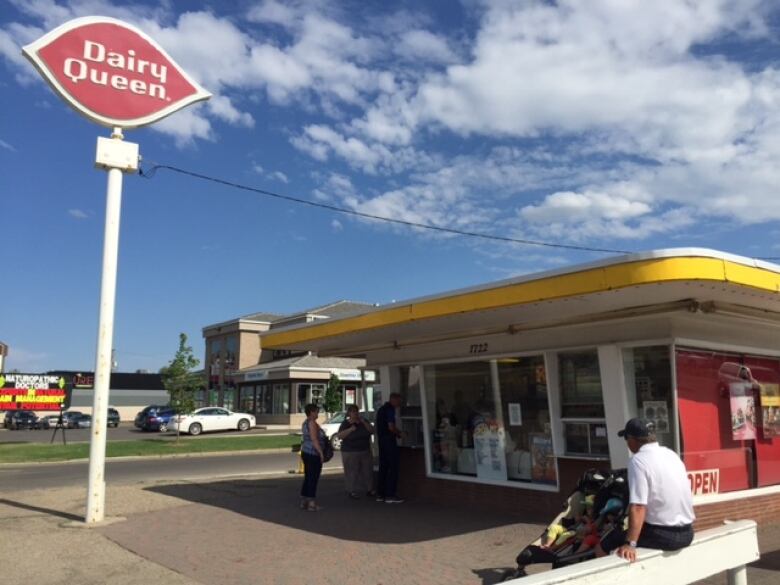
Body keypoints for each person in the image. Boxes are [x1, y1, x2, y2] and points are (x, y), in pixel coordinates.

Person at [614, 418, 695, 562]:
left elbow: (638, 506)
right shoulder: (671, 454)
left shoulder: (638, 461)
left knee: (607, 542)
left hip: (665, 536)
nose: (627, 443)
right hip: (688, 533)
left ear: (632, 439)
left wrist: (630, 544)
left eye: (626, 438)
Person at [336, 404, 375, 499]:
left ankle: (369, 489)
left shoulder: (363, 421)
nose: (355, 413)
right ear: (349, 413)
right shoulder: (345, 423)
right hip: (350, 451)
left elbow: (372, 430)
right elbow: (340, 436)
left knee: (367, 471)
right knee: (351, 472)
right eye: (353, 411)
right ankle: (351, 490)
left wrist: (364, 423)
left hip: (364, 450)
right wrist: (350, 429)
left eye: (356, 411)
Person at [375, 392, 404, 504]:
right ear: (394, 400)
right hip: (389, 442)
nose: (400, 404)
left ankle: (380, 494)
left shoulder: (381, 409)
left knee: (384, 467)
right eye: (399, 401)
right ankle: (390, 495)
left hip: (382, 441)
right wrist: (400, 433)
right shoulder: (389, 409)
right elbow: (391, 427)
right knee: (393, 467)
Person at [300, 403, 326, 511]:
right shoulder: (312, 423)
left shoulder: (306, 423)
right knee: (313, 477)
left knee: (308, 476)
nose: (317, 413)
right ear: (311, 412)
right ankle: (311, 502)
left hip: (306, 451)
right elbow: (314, 440)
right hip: (312, 453)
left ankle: (305, 500)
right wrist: (321, 453)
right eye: (316, 411)